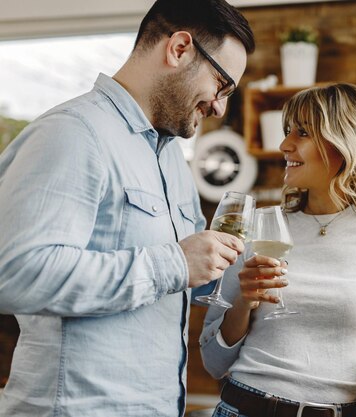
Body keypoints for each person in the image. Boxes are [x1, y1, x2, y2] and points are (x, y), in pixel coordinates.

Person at [0, 1, 266, 416]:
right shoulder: (73, 133)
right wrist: (174, 264)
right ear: (179, 48)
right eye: (222, 84)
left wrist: (237, 280)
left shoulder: (172, 160)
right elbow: (14, 274)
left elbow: (187, 279)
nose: (219, 107)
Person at [199, 83, 356, 417]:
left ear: (346, 141)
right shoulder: (260, 224)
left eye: (302, 133)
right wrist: (244, 301)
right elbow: (213, 361)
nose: (285, 145)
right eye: (288, 132)